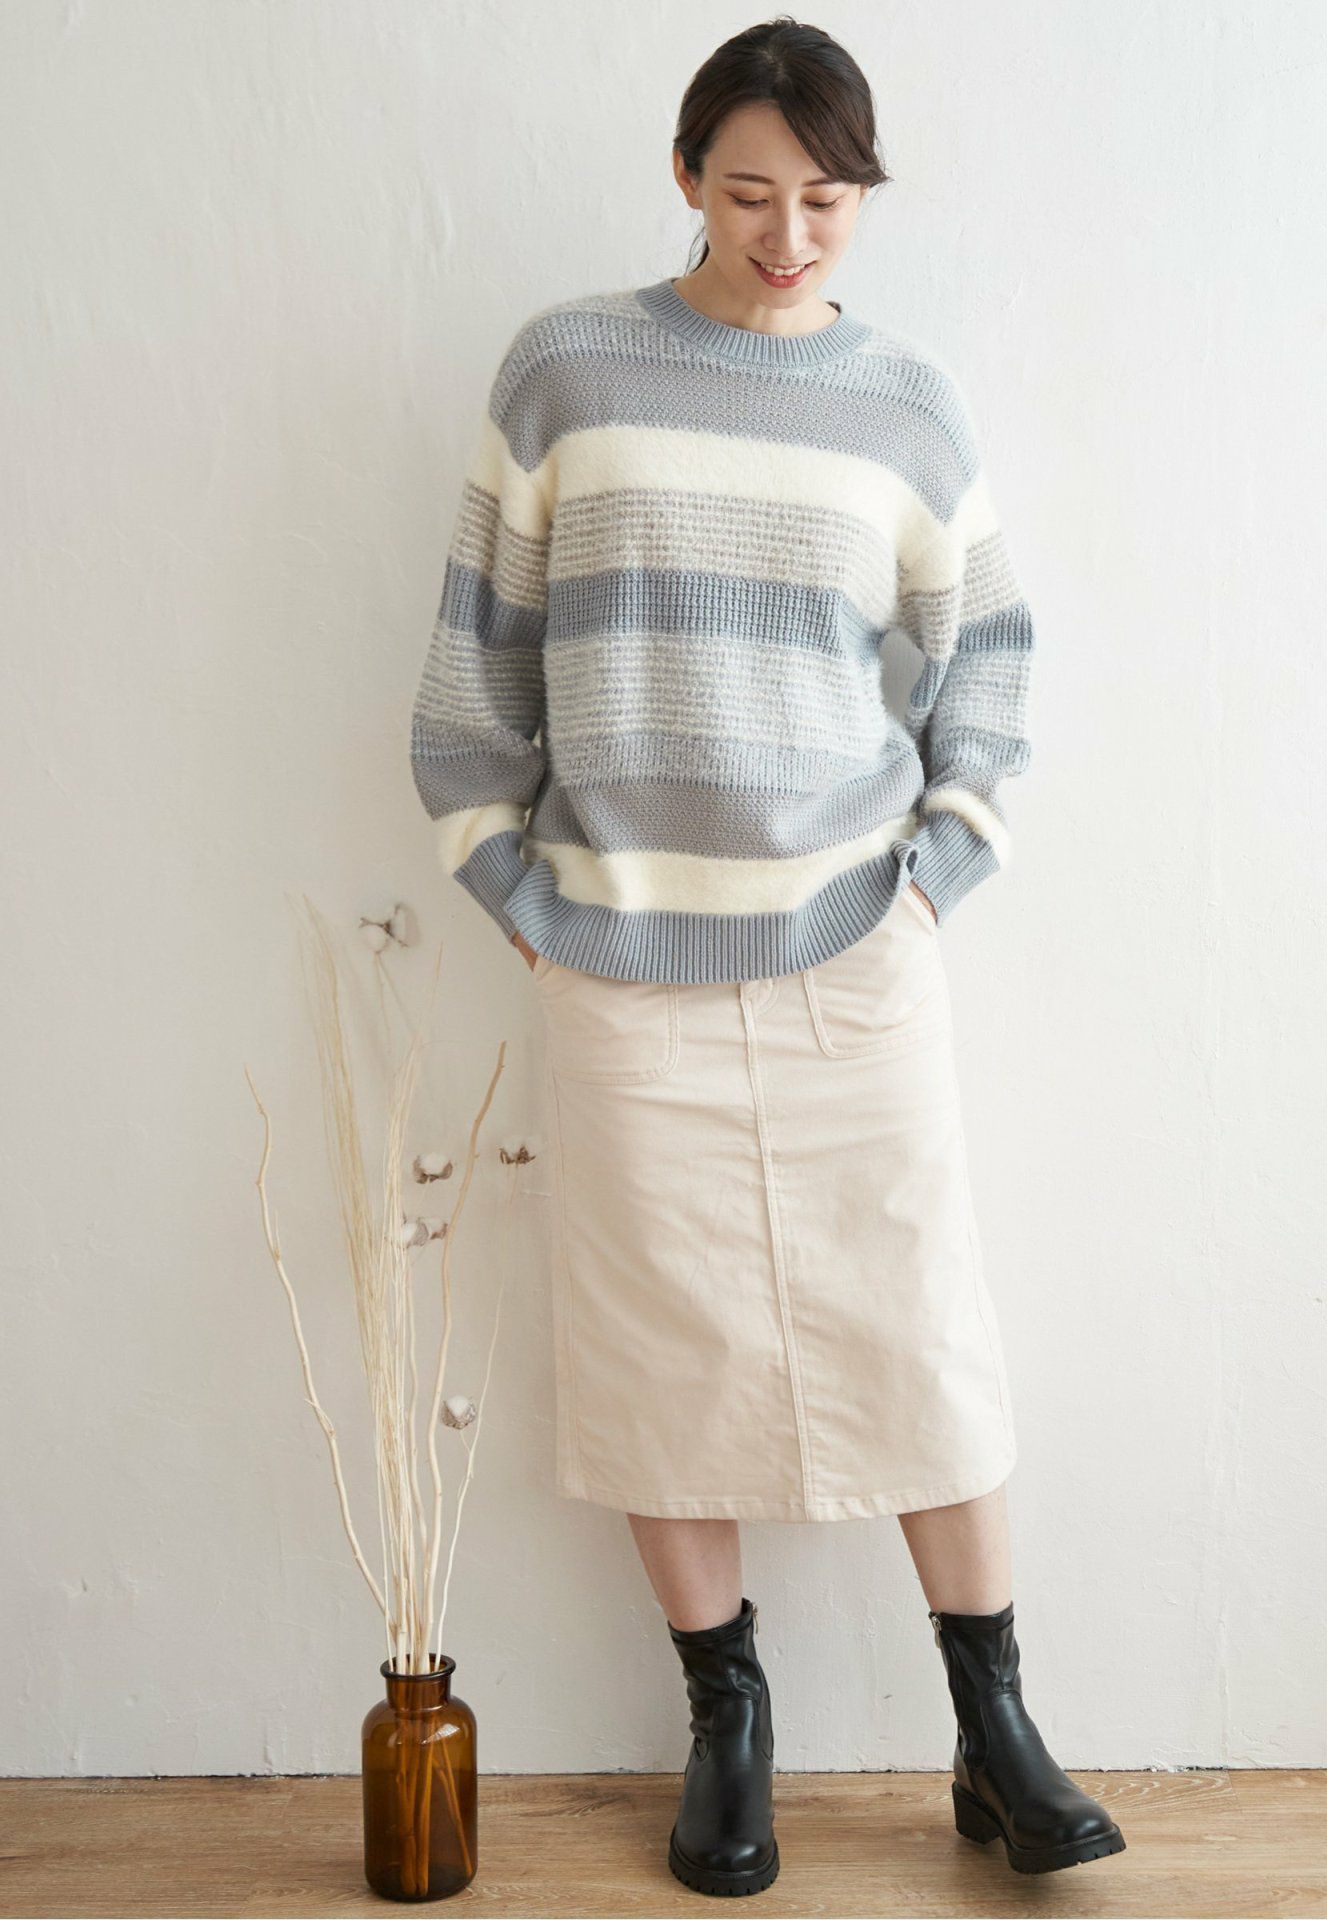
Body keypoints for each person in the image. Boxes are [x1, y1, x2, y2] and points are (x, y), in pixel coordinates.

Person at [408, 14, 1124, 1897]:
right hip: (618, 955)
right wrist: (523, 901)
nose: (788, 236)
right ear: (684, 177)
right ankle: (729, 1725)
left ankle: (994, 1729)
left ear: (863, 194)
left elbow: (989, 662)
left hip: (852, 944)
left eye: (826, 200)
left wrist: (940, 873)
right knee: (660, 1348)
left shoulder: (907, 405)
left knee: (922, 1327)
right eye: (748, 195)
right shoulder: (566, 371)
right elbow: (477, 663)